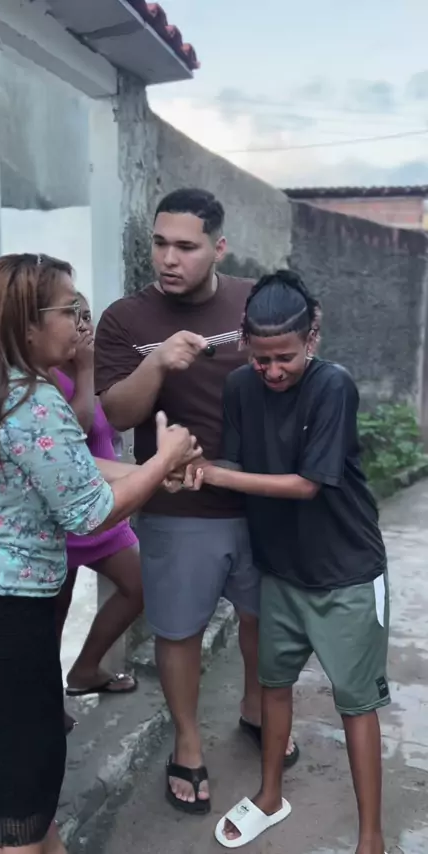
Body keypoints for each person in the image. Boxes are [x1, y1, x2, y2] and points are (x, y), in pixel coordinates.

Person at [0, 253, 200, 854]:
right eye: (70, 310)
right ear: (28, 323)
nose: (81, 322)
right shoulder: (34, 400)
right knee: (18, 803)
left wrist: (148, 473)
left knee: (12, 789)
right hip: (6, 624)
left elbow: (63, 465)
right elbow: (88, 511)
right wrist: (164, 460)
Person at [94, 188, 298, 815]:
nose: (168, 258)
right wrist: (158, 365)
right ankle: (187, 742)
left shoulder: (256, 301)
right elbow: (116, 413)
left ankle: (254, 708)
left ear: (219, 247)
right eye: (160, 243)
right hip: (179, 508)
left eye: (185, 246)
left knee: (262, 620)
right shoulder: (126, 320)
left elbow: (295, 373)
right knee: (179, 630)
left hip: (262, 501)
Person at [198, 270, 389, 853]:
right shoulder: (239, 387)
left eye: (285, 357)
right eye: (261, 359)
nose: (273, 371)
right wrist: (188, 468)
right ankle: (269, 797)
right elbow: (236, 464)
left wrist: (217, 476)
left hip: (346, 573)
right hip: (280, 569)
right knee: (273, 685)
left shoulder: (334, 387)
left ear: (313, 338)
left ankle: (371, 837)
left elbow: (307, 484)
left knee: (356, 703)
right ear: (244, 344)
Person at [53, 294, 142, 732]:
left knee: (140, 587)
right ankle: (45, 701)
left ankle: (86, 667)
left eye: (86, 315)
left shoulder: (99, 363)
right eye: (73, 316)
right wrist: (85, 370)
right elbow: (76, 433)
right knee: (55, 615)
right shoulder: (47, 375)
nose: (82, 325)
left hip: (104, 508)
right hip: (66, 515)